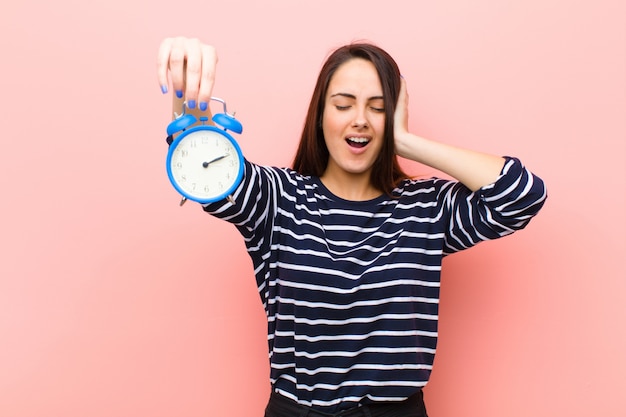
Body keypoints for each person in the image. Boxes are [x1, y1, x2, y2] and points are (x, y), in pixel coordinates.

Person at [157, 36, 547, 417]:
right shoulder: (279, 198)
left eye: (377, 108)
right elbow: (199, 168)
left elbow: (522, 195)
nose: (359, 119)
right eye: (343, 105)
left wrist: (406, 142)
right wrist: (185, 92)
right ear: (321, 114)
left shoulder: (426, 207)